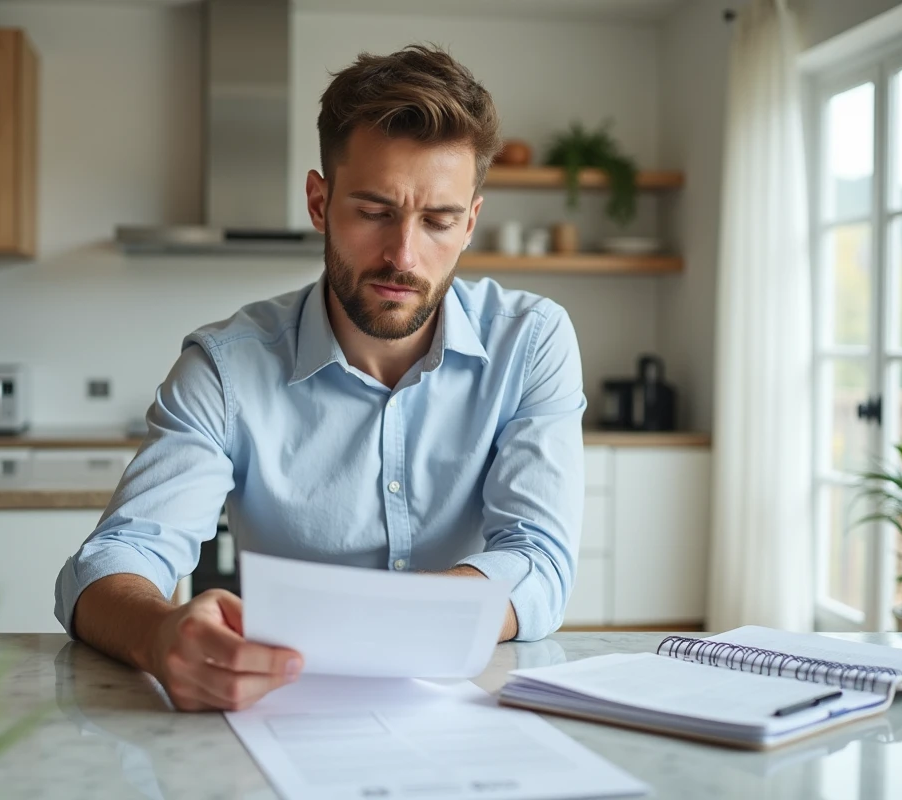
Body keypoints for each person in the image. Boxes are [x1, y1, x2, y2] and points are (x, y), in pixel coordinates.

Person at [55, 45, 586, 712]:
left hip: (474, 713)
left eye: (439, 221)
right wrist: (161, 633)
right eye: (373, 211)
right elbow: (111, 561)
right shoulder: (225, 367)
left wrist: (383, 620)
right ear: (319, 200)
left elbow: (538, 557)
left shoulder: (531, 342)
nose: (403, 254)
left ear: (471, 222)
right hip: (280, 713)